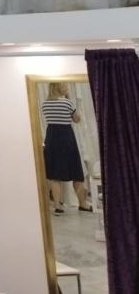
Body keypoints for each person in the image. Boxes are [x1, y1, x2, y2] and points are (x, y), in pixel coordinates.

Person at [41, 82, 92, 215]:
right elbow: (77, 119)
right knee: (76, 172)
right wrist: (69, 100)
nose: (67, 88)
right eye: (65, 87)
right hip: (66, 138)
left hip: (52, 138)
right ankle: (83, 204)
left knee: (55, 175)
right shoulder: (67, 103)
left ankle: (58, 206)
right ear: (60, 88)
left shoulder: (44, 104)